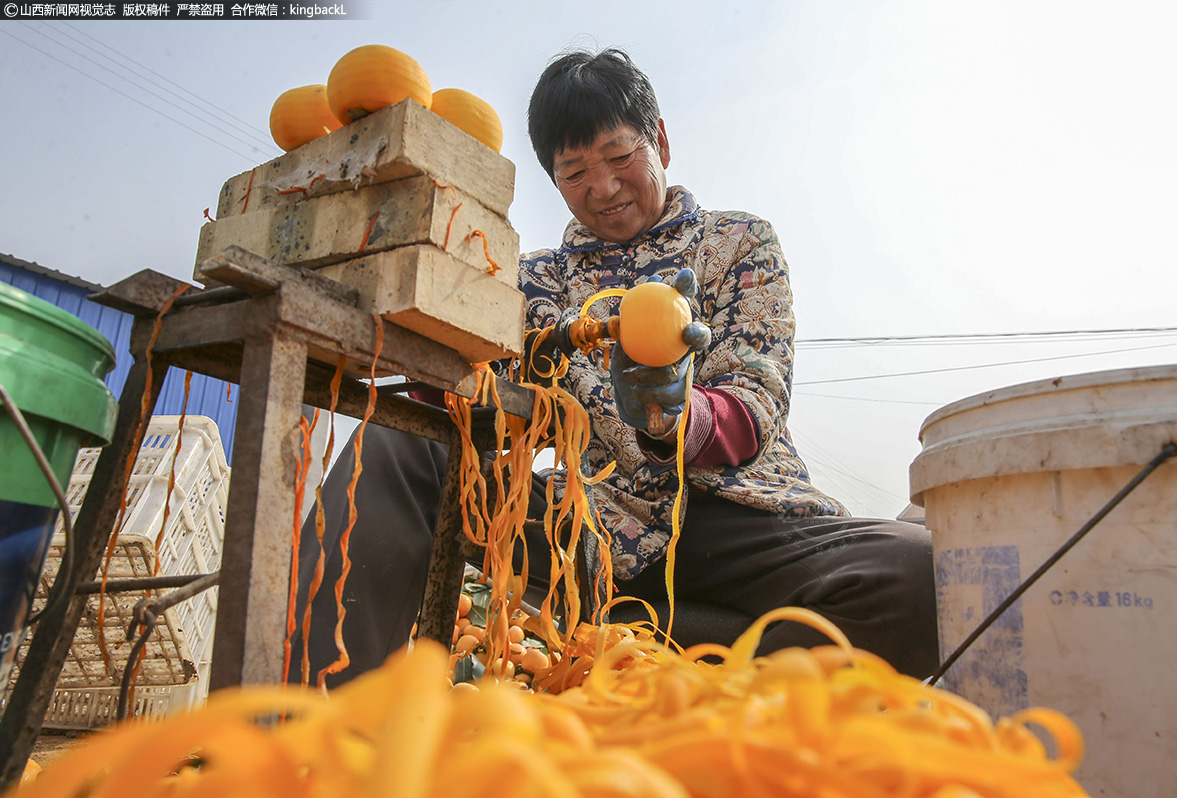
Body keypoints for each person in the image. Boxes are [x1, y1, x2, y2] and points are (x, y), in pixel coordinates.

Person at [290, 47, 938, 687]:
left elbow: (754, 402)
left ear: (658, 139)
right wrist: (407, 317)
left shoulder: (737, 243)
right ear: (551, 179)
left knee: (922, 576)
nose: (602, 187)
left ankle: (690, 662)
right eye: (573, 171)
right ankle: (317, 730)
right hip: (592, 529)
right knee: (401, 447)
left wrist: (673, 416)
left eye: (620, 156)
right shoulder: (532, 282)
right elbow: (473, 405)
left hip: (740, 522)